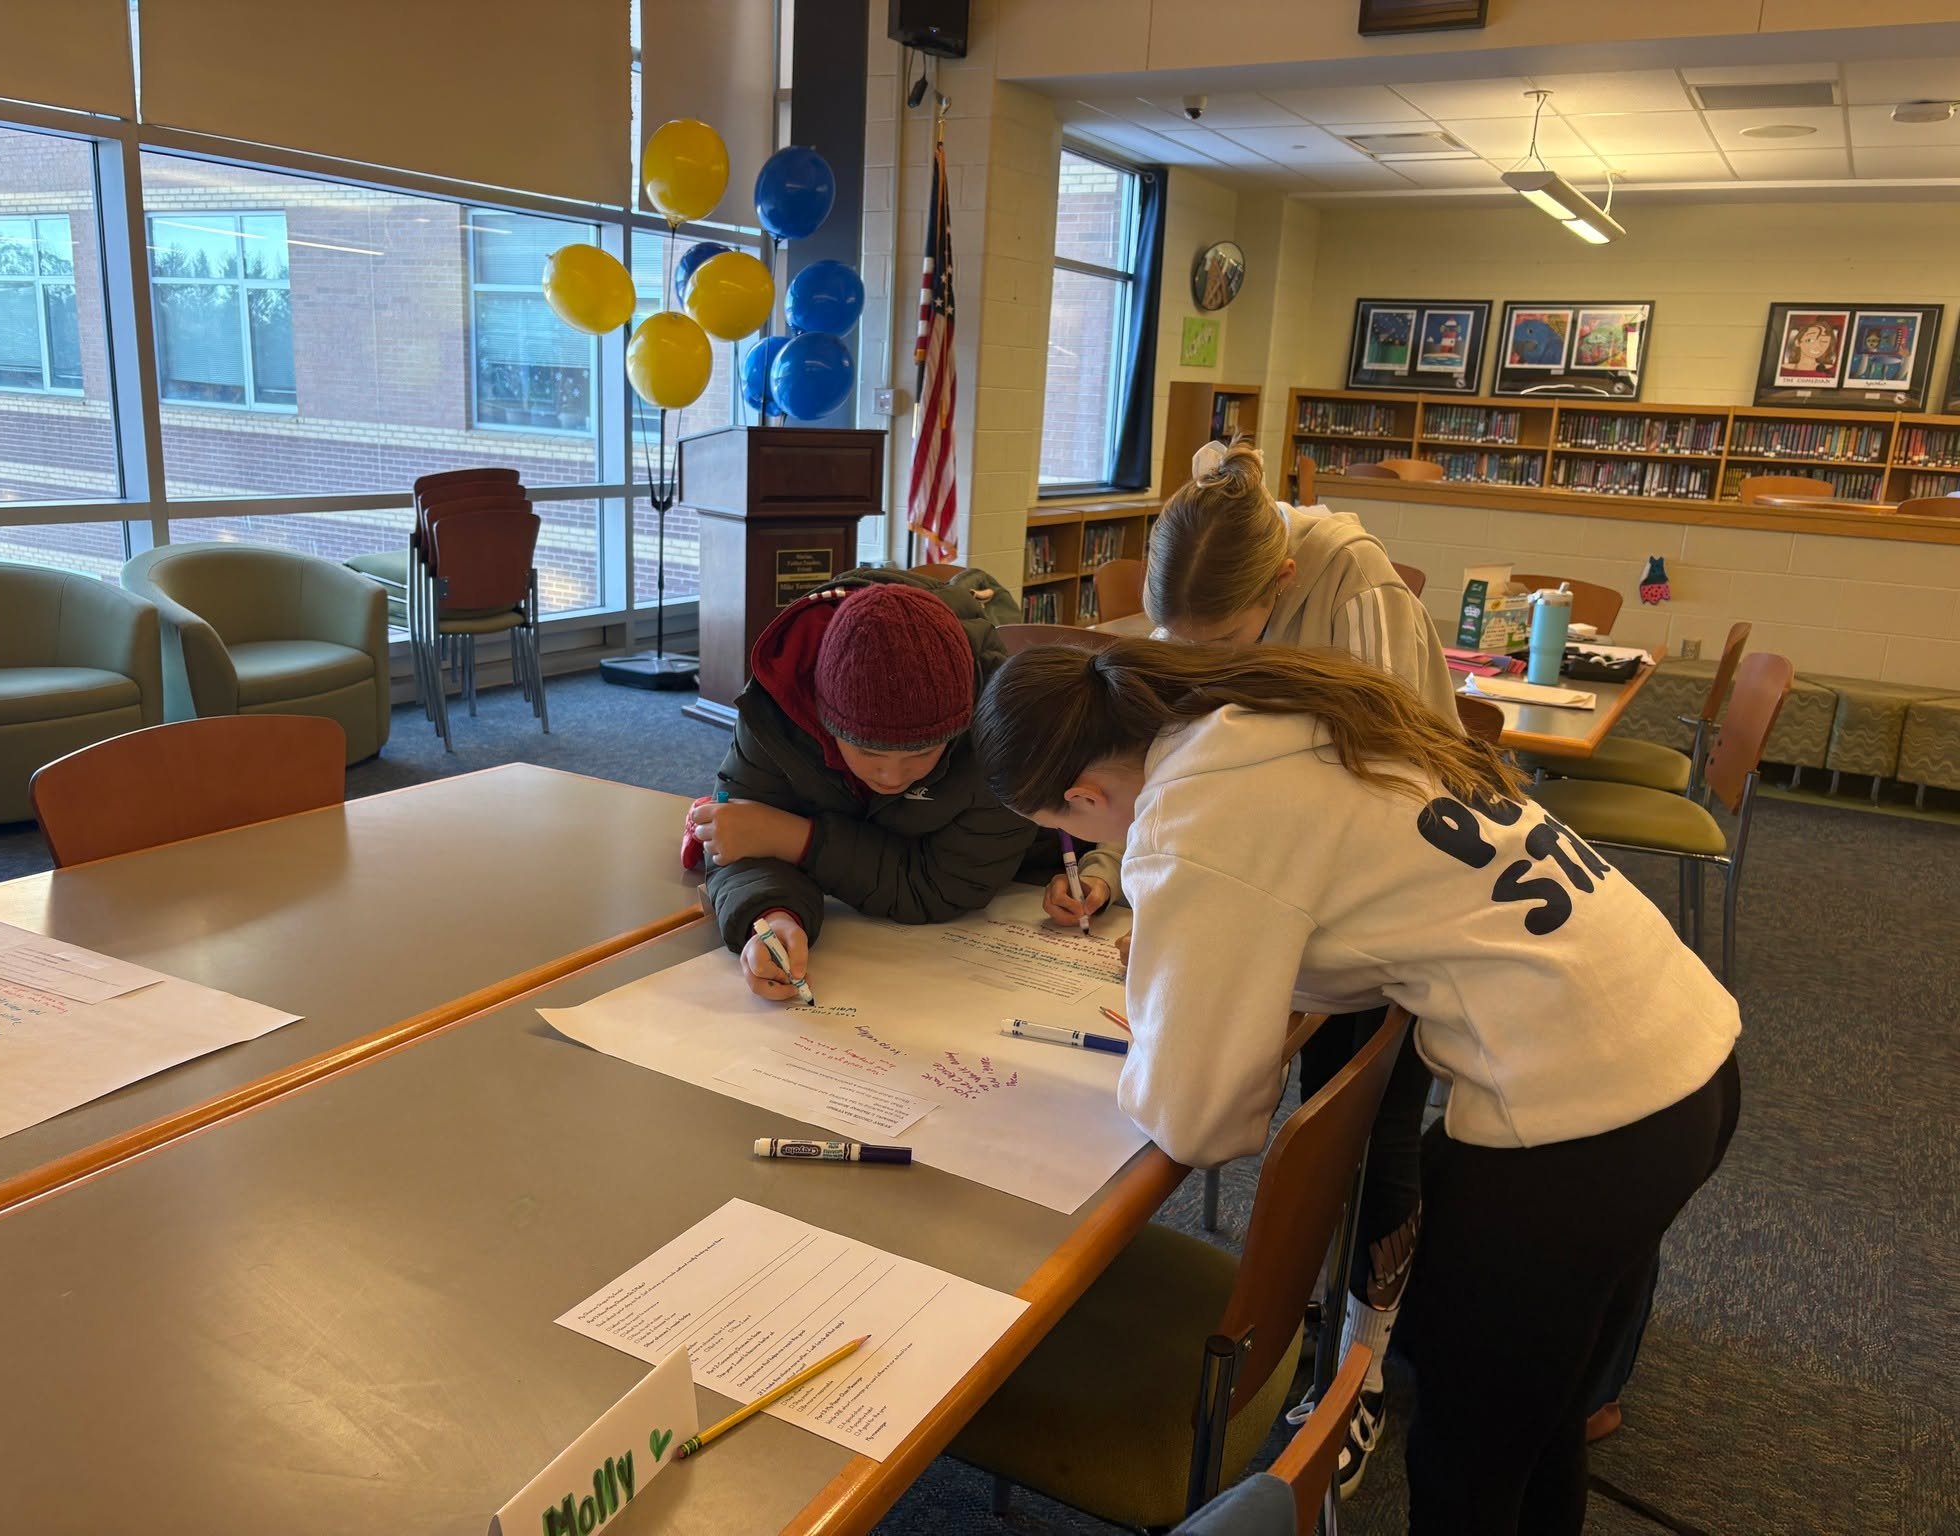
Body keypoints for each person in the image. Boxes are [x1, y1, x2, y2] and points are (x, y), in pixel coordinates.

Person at [975, 639, 1741, 1534]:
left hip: (1586, 1124)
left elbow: (1197, 1120)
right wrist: (1205, 960)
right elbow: (1370, 931)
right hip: (1683, 1051)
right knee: (1537, 1422)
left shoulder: (1195, 810)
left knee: (1468, 1466)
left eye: (1074, 832)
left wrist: (1171, 996)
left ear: (1082, 799)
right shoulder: (1264, 717)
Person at [1045, 440, 1456, 1496]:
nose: (1205, 662)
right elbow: (1168, 759)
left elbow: (1401, 785)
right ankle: (1323, 1311)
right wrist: (1133, 875)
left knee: (1370, 1129)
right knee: (1318, 1110)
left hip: (1387, 901)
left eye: (1223, 642)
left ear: (1278, 588)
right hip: (1281, 891)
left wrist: (1229, 908)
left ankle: (1357, 1358)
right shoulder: (1198, 596)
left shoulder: (1357, 593)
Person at [690, 570, 1036, 999]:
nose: (891, 776)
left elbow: (946, 885)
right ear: (821, 719)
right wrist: (773, 913)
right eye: (868, 753)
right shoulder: (782, 704)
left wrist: (795, 838)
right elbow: (737, 833)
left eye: (921, 754)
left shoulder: (1006, 728)